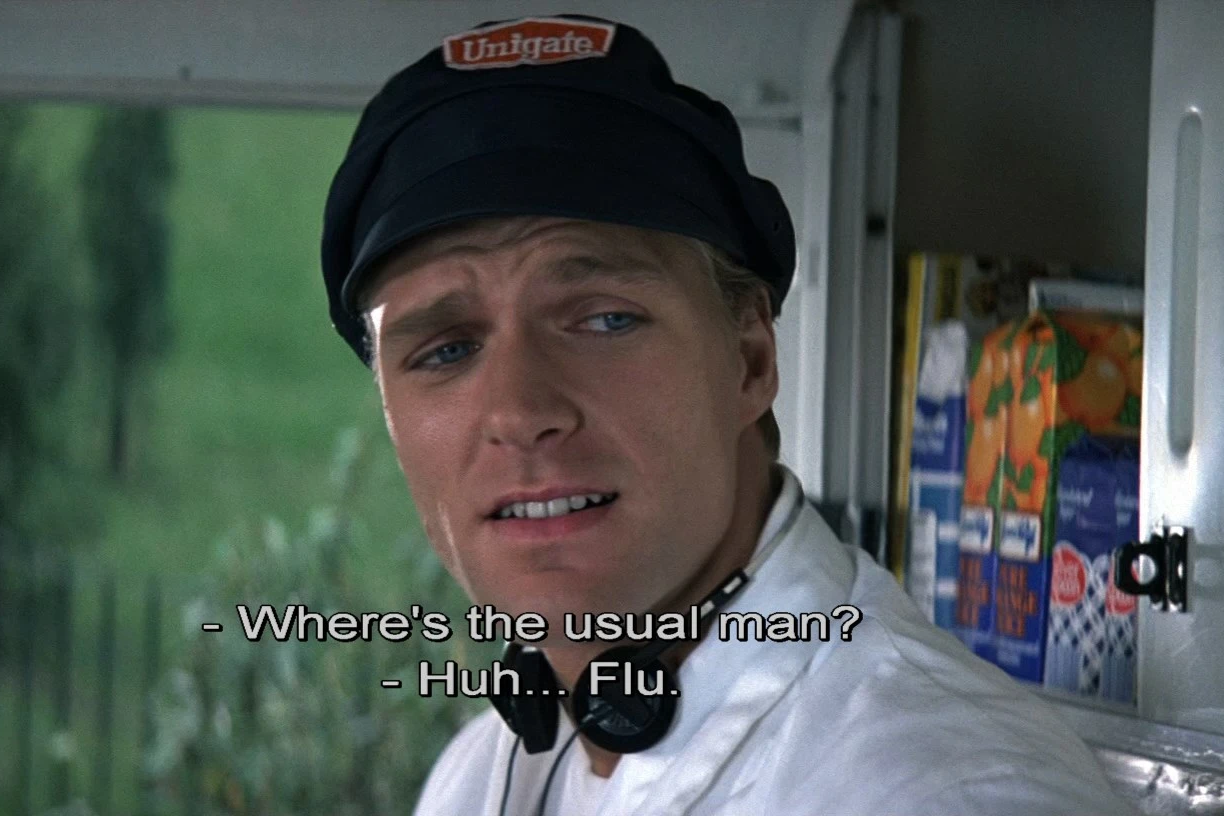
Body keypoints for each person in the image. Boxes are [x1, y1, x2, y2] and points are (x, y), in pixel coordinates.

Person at [319, 14, 1138, 816]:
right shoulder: (480, 775)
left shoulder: (945, 791)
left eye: (605, 319)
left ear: (750, 359)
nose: (520, 412)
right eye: (447, 350)